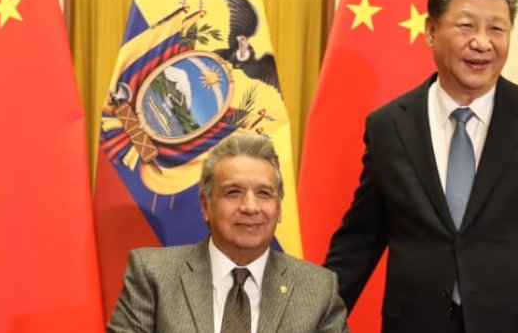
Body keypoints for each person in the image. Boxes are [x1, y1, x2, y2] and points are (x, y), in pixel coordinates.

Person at [324, 0, 518, 333]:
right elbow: (360, 240)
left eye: (496, 29)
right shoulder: (389, 126)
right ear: (430, 31)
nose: (482, 43)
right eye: (466, 26)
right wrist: (308, 316)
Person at [108, 133, 349, 333]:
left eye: (264, 193)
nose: (250, 207)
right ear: (206, 206)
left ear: (279, 209)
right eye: (233, 192)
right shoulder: (153, 275)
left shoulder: (318, 290)